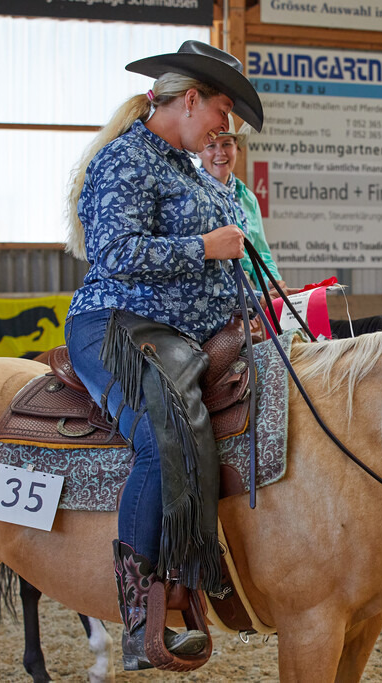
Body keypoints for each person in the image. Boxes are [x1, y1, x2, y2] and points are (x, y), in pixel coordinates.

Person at [62, 40, 264, 670]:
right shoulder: (125, 161)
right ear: (191, 98)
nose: (225, 127)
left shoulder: (185, 167)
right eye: (223, 110)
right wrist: (207, 246)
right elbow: (115, 253)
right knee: (162, 430)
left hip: (184, 333)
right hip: (118, 325)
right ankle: (140, 615)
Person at [195, 115, 287, 295]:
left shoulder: (247, 198)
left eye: (227, 144)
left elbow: (260, 255)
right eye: (211, 145)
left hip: (247, 295)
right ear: (199, 151)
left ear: (237, 147)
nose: (220, 152)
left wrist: (271, 284)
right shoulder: (193, 194)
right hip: (211, 295)